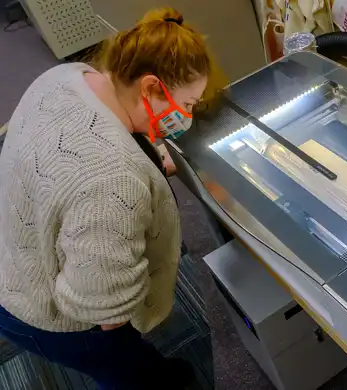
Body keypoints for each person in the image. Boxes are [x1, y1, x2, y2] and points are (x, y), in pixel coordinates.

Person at [0, 7, 215, 390]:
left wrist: (145, 157)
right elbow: (105, 308)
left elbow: (77, 152)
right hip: (39, 309)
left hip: (13, 246)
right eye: (187, 105)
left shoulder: (67, 76)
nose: (187, 117)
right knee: (126, 373)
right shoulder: (113, 182)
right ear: (149, 88)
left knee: (139, 366)